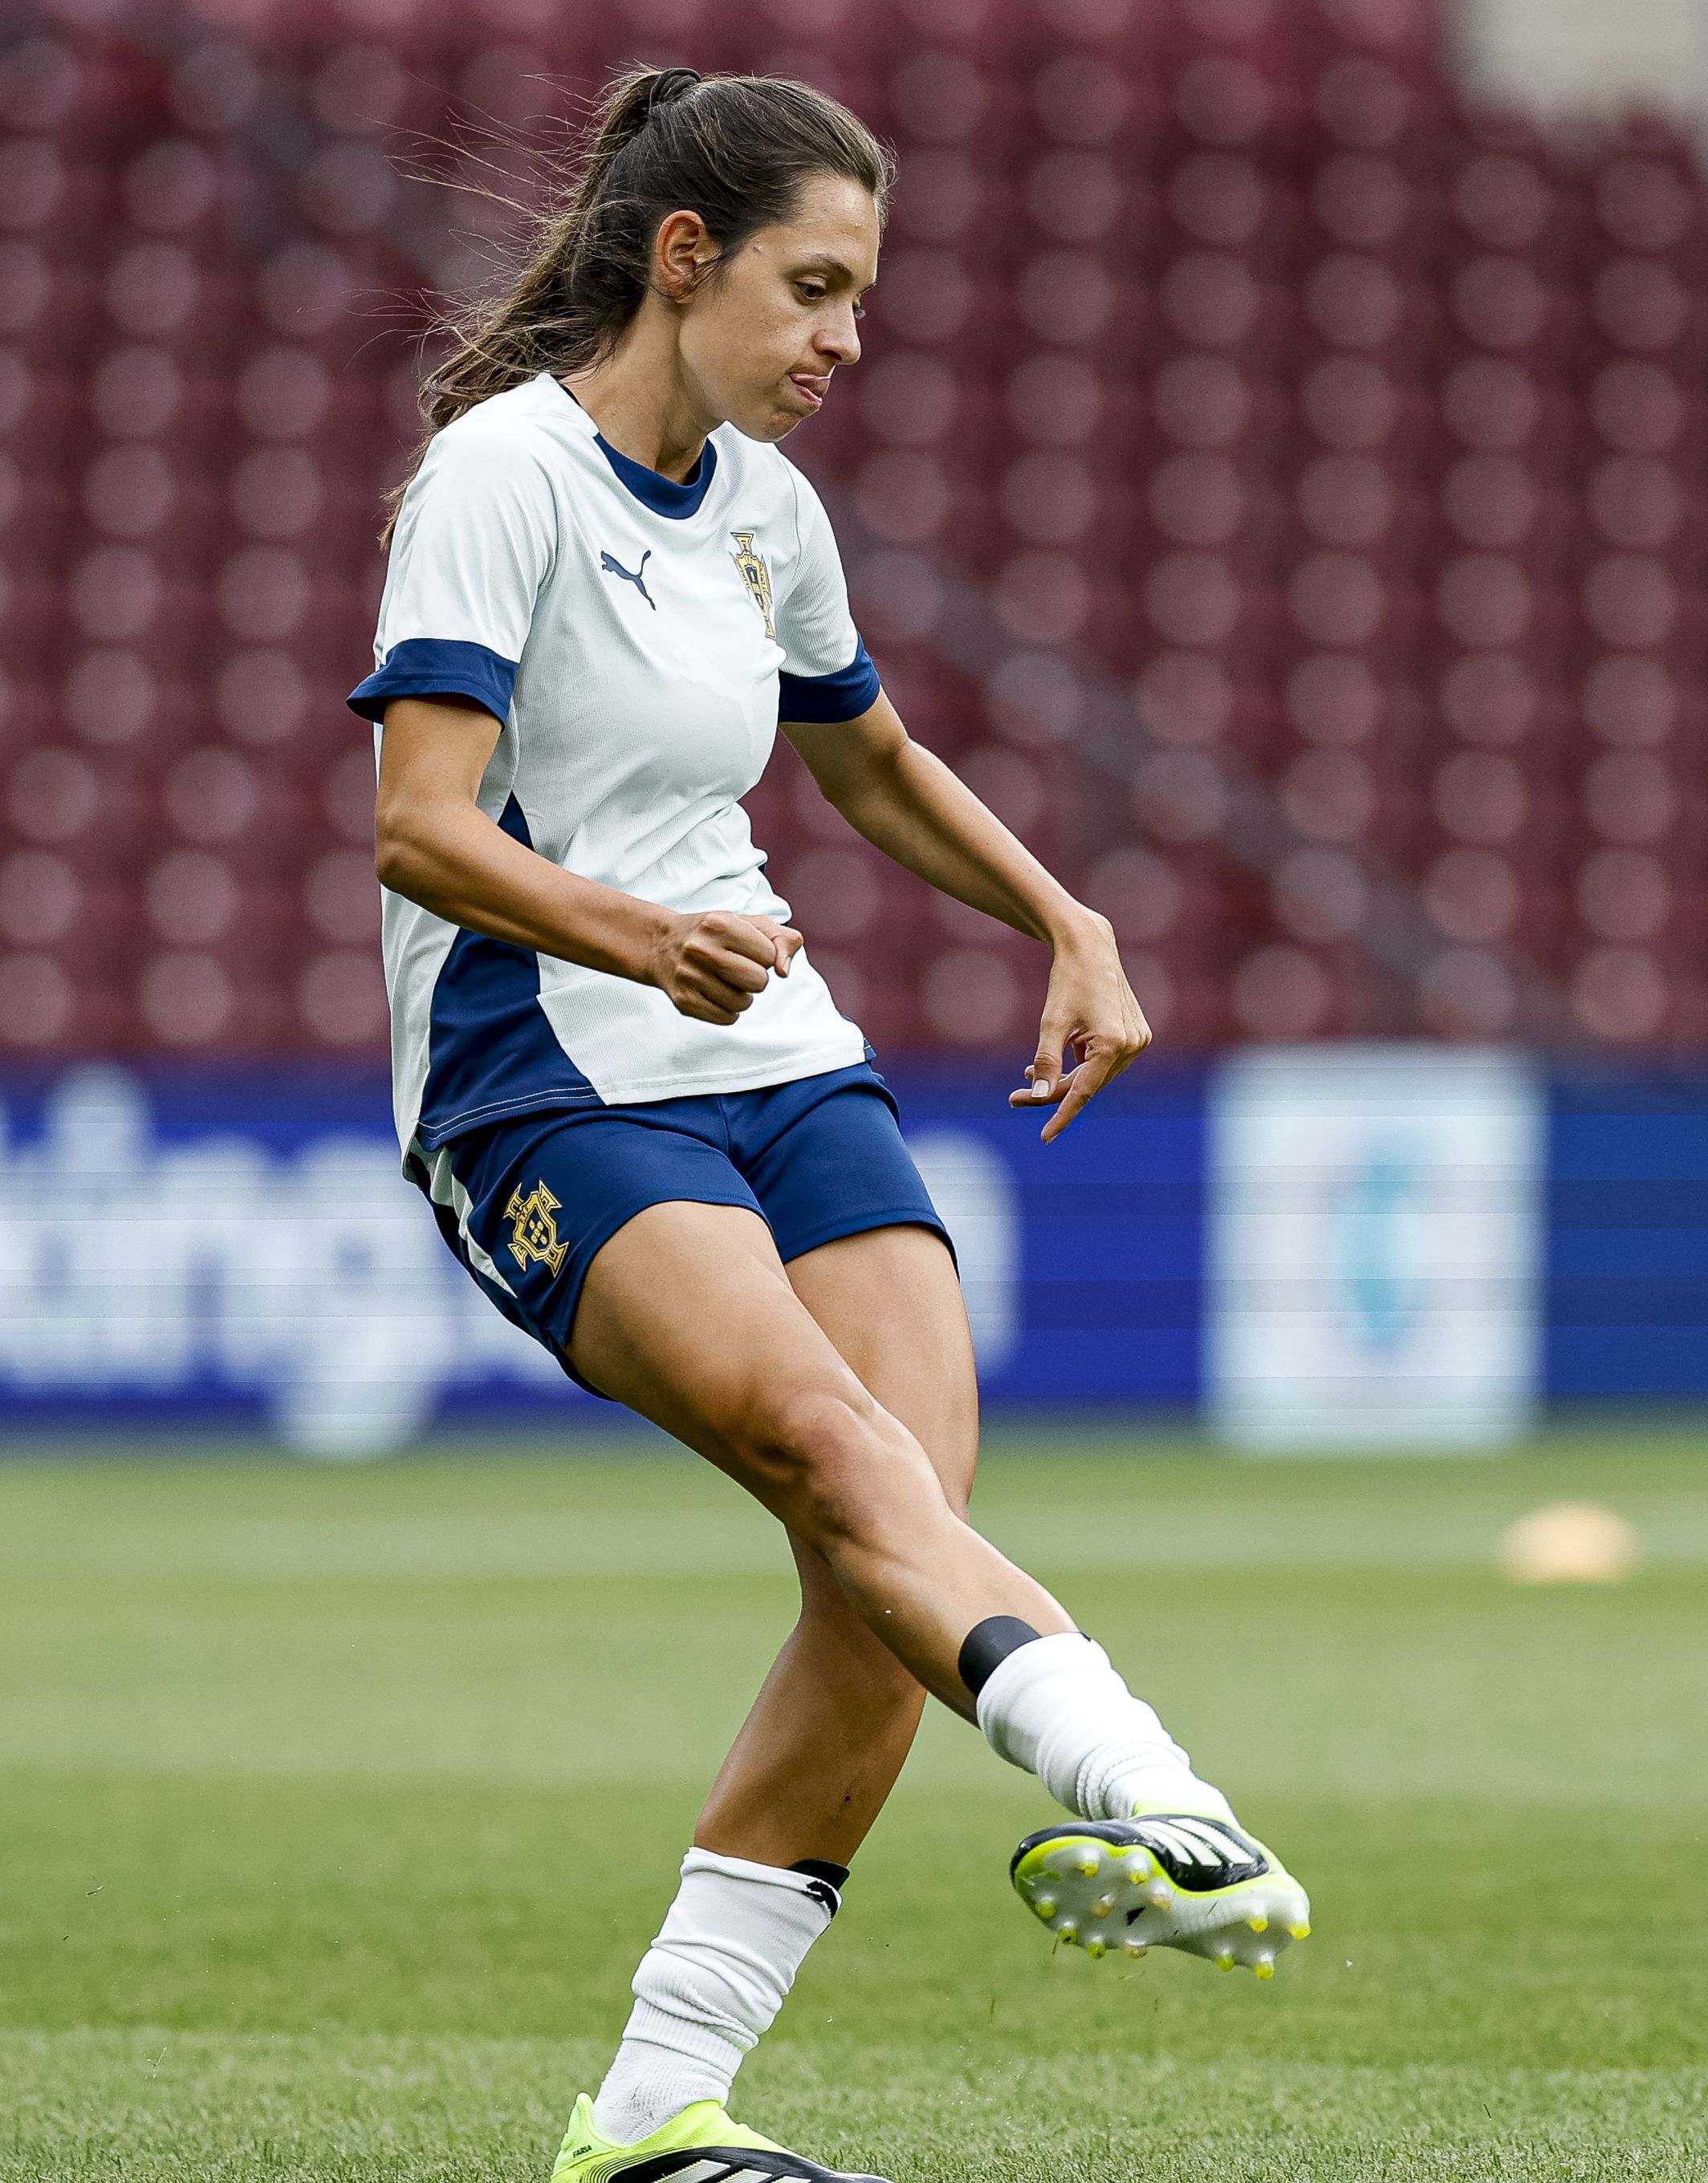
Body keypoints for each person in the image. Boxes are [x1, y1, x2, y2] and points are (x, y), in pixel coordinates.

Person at [355, 70, 1307, 2183]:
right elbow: (420, 826)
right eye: (814, 287)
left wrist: (1064, 917)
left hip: (776, 1054)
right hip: (548, 1072)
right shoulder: (502, 474)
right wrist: (634, 931)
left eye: (861, 293)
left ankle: (651, 2118)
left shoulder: (767, 507)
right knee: (838, 1456)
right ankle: (1160, 1796)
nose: (847, 336)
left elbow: (863, 760)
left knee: (902, 1536)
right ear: (683, 259)